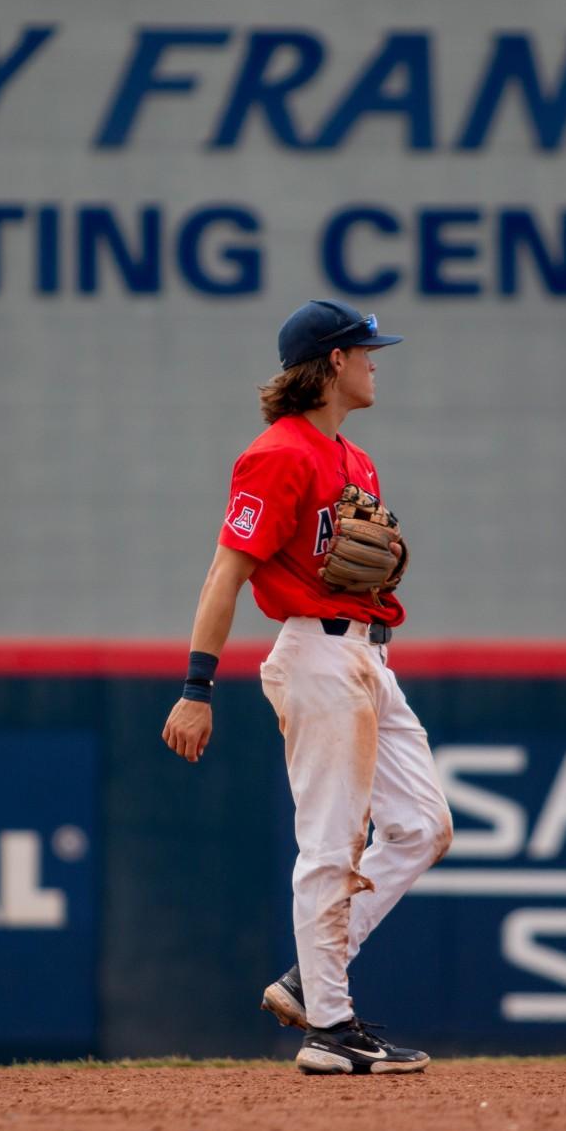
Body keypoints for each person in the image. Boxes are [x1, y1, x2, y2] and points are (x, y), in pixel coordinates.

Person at [161, 299, 454, 1076]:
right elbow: (228, 570)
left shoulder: (355, 461)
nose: (374, 361)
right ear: (332, 362)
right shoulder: (278, 454)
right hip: (317, 656)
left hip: (368, 657)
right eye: (364, 350)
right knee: (331, 840)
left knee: (424, 827)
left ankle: (309, 978)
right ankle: (330, 1026)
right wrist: (198, 685)